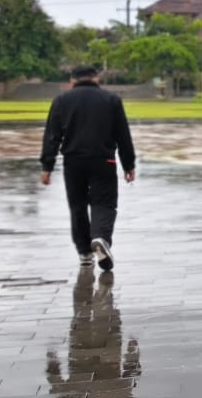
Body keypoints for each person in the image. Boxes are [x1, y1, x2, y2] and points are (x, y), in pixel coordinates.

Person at [40, 64, 137, 272]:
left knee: (78, 206)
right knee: (104, 203)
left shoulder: (61, 101)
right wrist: (128, 164)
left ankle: (84, 252)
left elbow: (52, 135)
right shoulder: (111, 100)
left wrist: (47, 166)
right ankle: (100, 237)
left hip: (73, 161)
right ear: (96, 78)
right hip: (103, 160)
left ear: (72, 80)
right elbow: (123, 135)